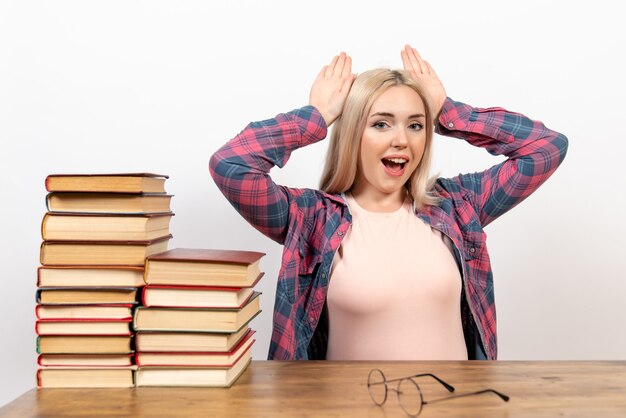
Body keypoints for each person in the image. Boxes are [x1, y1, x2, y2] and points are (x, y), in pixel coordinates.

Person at [210, 45, 568, 361]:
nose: (401, 140)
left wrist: (447, 112)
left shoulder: (458, 206)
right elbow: (231, 166)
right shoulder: (311, 220)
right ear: (352, 133)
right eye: (381, 124)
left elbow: (546, 148)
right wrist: (316, 117)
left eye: (415, 125)